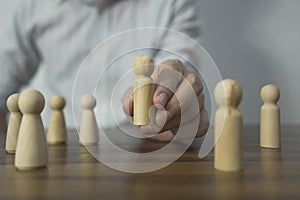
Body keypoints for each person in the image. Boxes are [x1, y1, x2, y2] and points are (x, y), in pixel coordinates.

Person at [0, 0, 209, 141]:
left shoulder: (172, 4)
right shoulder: (27, 5)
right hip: (54, 143)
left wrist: (176, 102)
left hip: (142, 150)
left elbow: (177, 72)